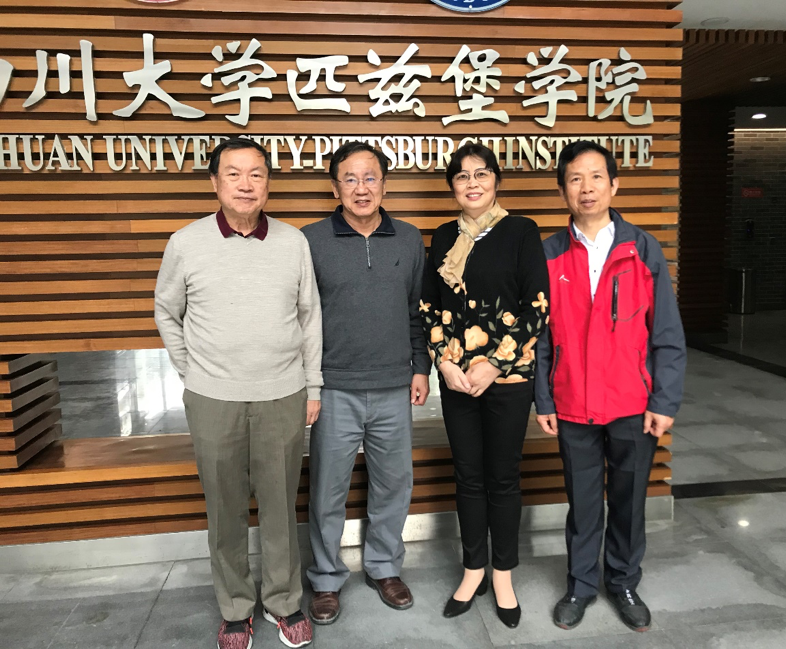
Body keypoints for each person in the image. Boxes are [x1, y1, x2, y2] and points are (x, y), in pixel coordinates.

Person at [155, 138, 321, 649]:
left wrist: (313, 385)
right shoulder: (186, 242)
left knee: (280, 506)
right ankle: (234, 608)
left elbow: (310, 318)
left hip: (283, 394)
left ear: (267, 183)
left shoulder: (293, 242)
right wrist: (193, 373)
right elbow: (166, 311)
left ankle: (283, 601)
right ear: (215, 182)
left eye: (256, 174)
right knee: (224, 509)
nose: (246, 184)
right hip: (213, 400)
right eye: (234, 173)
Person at [534, 140, 686, 633]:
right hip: (572, 402)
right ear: (563, 191)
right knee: (582, 504)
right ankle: (580, 585)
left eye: (596, 176)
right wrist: (544, 398)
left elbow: (666, 332)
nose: (586, 188)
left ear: (614, 185)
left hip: (632, 403)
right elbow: (540, 338)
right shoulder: (548, 254)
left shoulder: (643, 249)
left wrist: (664, 399)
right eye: (575, 179)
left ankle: (622, 582)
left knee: (628, 501)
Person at [302, 142, 431, 625]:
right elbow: (302, 318)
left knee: (394, 484)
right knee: (327, 490)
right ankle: (325, 578)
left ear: (384, 184)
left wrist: (421, 366)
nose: (361, 188)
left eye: (370, 177)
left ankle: (384, 567)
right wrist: (310, 385)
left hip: (394, 385)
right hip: (334, 387)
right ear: (335, 187)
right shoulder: (310, 240)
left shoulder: (409, 238)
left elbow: (419, 310)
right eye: (350, 179)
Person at [421, 143, 549, 629]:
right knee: (468, 476)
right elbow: (430, 307)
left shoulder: (521, 231)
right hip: (456, 380)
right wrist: (444, 362)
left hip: (508, 378)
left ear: (496, 179)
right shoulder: (442, 236)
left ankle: (502, 574)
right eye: (461, 176)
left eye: (481, 174)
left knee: (503, 477)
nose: (471, 183)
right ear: (452, 186)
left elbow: (537, 305)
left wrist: (494, 365)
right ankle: (473, 568)